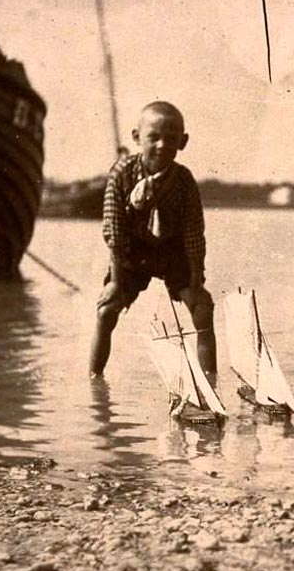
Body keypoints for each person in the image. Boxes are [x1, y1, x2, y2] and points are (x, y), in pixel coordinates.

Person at [89, 101, 217, 383]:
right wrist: (115, 282)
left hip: (172, 251)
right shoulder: (122, 173)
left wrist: (196, 279)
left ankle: (210, 380)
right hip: (132, 251)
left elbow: (194, 231)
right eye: (153, 138)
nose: (161, 145)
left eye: (171, 139)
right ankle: (94, 380)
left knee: (203, 309)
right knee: (107, 310)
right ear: (136, 138)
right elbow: (114, 229)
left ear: (183, 142)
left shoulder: (183, 180)